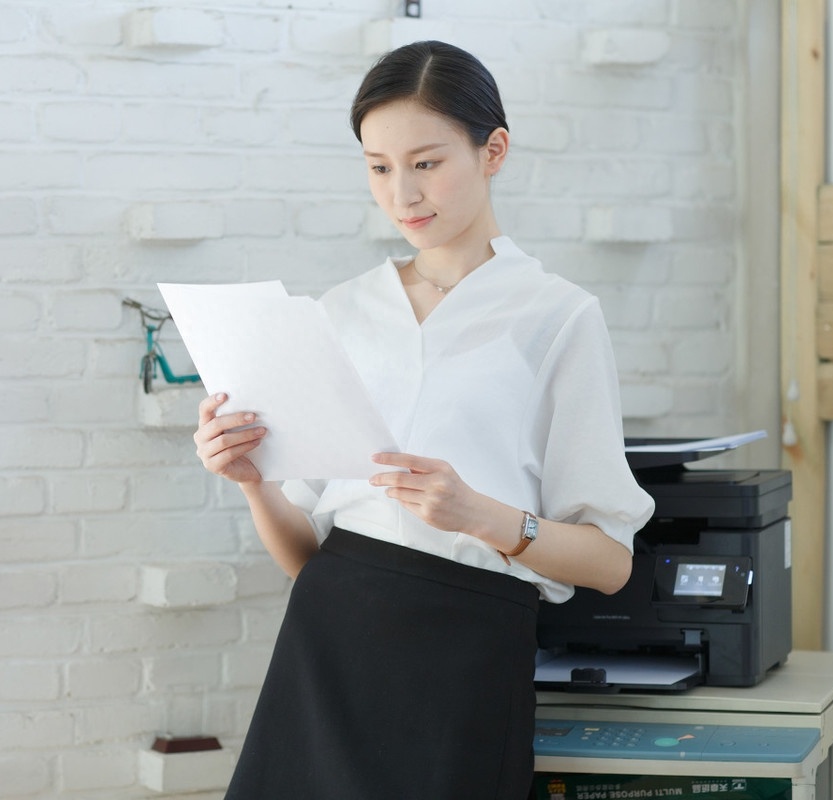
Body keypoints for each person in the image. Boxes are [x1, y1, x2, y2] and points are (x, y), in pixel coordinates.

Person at [194, 40, 655, 799]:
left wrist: (483, 514)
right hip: (325, 649)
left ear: (493, 150)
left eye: (426, 162)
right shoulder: (340, 312)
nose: (402, 193)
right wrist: (253, 483)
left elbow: (611, 562)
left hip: (465, 657)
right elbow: (308, 557)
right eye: (379, 167)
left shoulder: (558, 317)